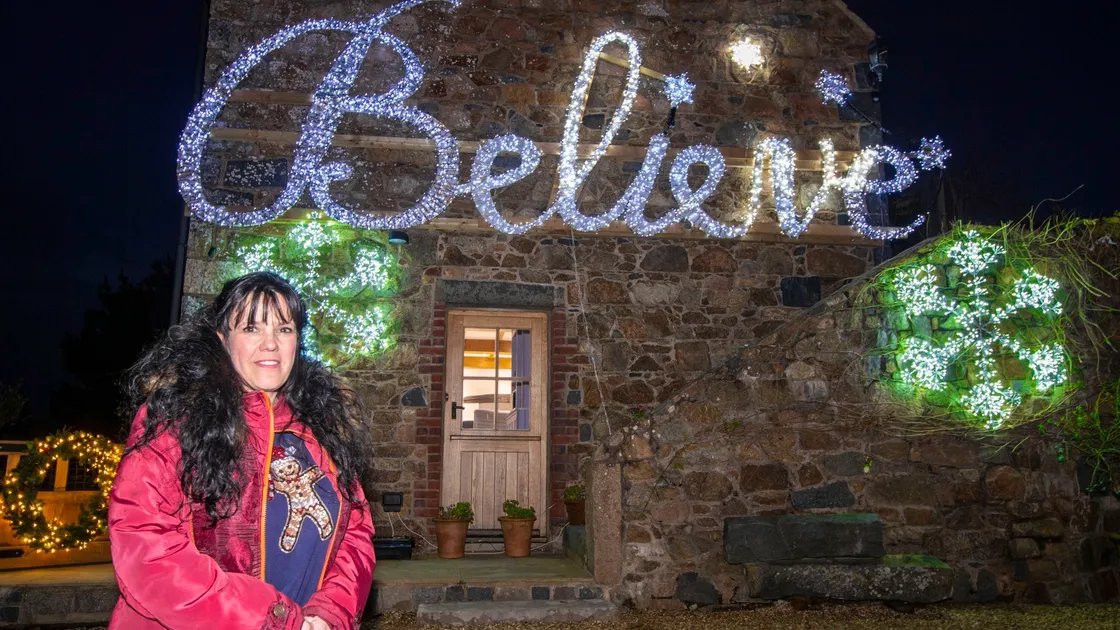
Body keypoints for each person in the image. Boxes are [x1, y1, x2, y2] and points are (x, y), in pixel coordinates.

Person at [108, 272, 376, 629]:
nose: (270, 344)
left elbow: (355, 533)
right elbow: (147, 550)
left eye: (284, 329)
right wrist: (272, 619)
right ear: (223, 339)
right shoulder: (176, 422)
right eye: (251, 328)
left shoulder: (323, 428)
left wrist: (329, 614)